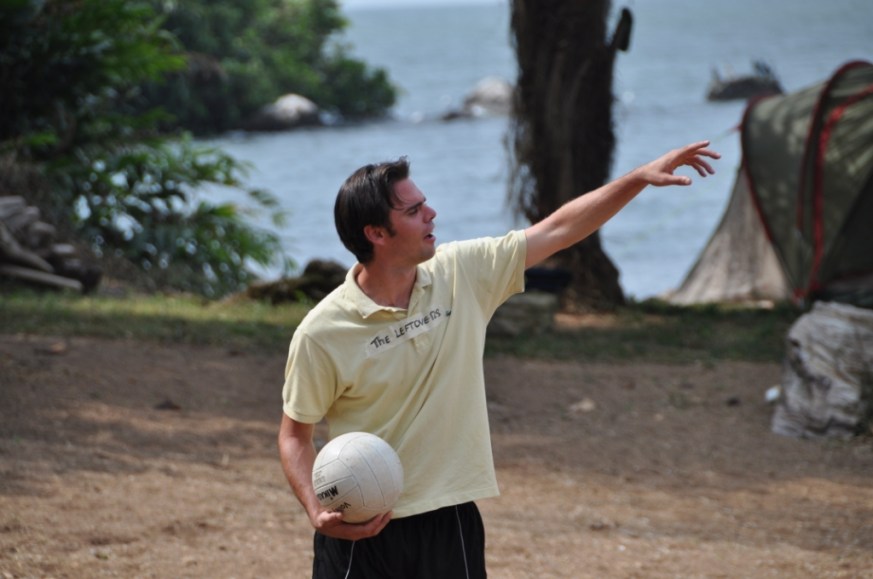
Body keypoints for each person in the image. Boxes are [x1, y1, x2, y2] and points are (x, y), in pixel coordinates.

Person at [278, 141, 720, 578]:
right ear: (376, 233)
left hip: (449, 517)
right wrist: (317, 510)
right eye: (413, 211)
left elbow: (560, 229)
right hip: (359, 525)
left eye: (424, 203)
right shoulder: (323, 332)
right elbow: (295, 435)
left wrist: (637, 178)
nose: (431, 214)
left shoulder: (462, 273)